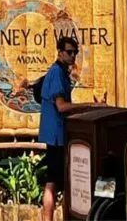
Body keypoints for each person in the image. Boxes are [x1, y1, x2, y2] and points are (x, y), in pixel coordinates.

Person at [39, 35, 80, 221]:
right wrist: (88, 106)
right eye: (69, 52)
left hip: (58, 135)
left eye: (75, 52)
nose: (73, 56)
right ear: (60, 52)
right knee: (52, 183)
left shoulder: (62, 73)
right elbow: (61, 106)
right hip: (56, 136)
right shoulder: (56, 72)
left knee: (58, 182)